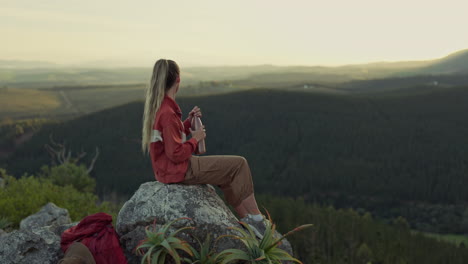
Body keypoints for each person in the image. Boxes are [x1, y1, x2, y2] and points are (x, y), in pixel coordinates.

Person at [141, 59, 269, 239]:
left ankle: (247, 219)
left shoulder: (160, 107)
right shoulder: (168, 113)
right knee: (239, 164)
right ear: (178, 79)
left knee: (226, 174)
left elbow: (170, 139)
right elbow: (175, 153)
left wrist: (186, 123)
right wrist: (196, 139)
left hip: (168, 171)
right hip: (179, 170)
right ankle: (256, 219)